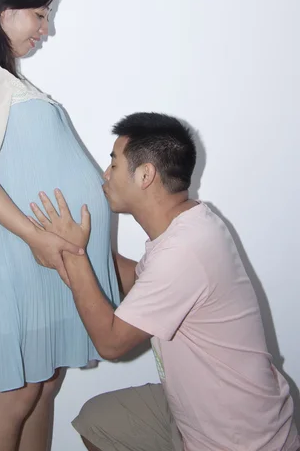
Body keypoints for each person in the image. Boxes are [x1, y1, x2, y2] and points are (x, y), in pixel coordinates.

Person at [31, 112, 299, 451]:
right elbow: (137, 279)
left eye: (113, 165)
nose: (105, 175)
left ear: (145, 175)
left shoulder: (184, 250)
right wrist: (75, 247)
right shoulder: (189, 226)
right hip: (193, 417)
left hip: (242, 440)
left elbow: (111, 343)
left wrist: (75, 256)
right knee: (98, 421)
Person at [0, 0, 119, 451]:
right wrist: (38, 238)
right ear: (5, 9)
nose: (47, 28)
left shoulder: (5, 76)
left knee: (43, 385)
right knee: (17, 393)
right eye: (41, 14)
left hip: (42, 263)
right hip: (19, 258)